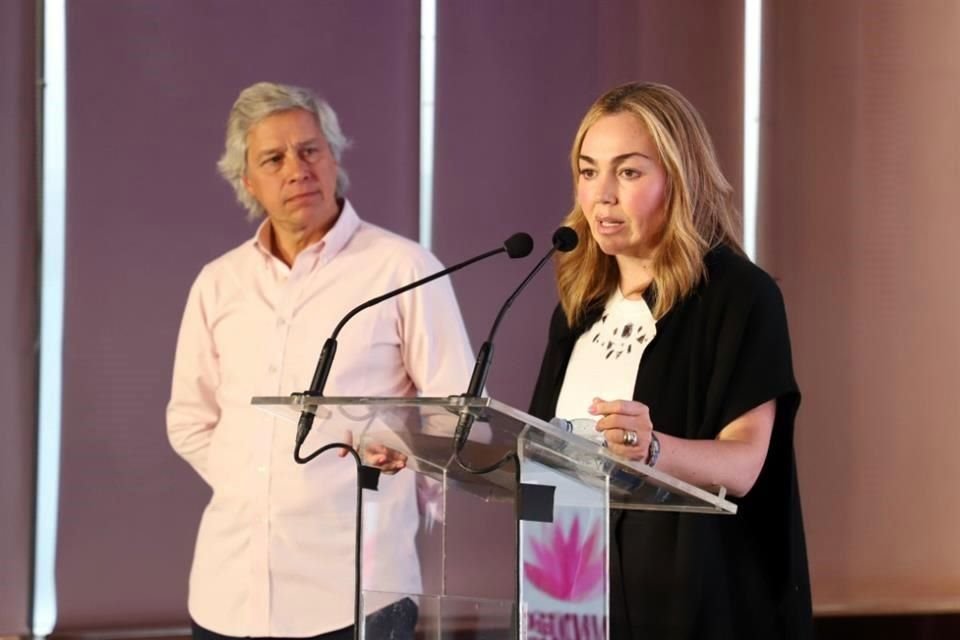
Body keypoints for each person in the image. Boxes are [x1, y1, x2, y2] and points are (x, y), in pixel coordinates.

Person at [167, 82, 475, 640]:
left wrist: (398, 476)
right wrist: (253, 482)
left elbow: (456, 415)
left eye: (310, 150)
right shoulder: (218, 283)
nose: (297, 169)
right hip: (225, 591)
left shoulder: (403, 268)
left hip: (358, 590)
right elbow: (190, 419)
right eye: (273, 158)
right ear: (248, 182)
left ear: (334, 157)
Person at [529, 82, 813, 639]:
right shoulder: (581, 302)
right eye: (588, 172)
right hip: (567, 596)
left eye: (628, 173)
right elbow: (541, 451)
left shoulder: (737, 296)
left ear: (678, 180)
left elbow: (745, 464)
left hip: (690, 603)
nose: (601, 195)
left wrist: (651, 448)